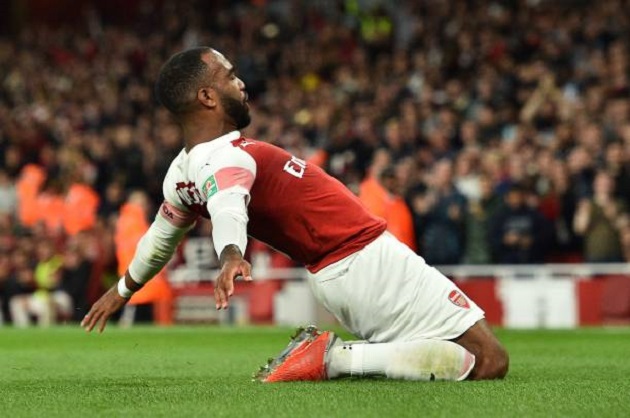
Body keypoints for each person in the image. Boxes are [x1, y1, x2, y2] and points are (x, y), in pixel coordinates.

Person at [82, 47, 508, 382]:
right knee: (489, 360)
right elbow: (228, 205)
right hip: (365, 259)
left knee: (443, 357)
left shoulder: (182, 171)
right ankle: (333, 359)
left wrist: (122, 289)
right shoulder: (228, 158)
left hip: (341, 272)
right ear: (207, 97)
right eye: (229, 76)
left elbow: (161, 238)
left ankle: (338, 359)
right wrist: (231, 254)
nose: (241, 83)